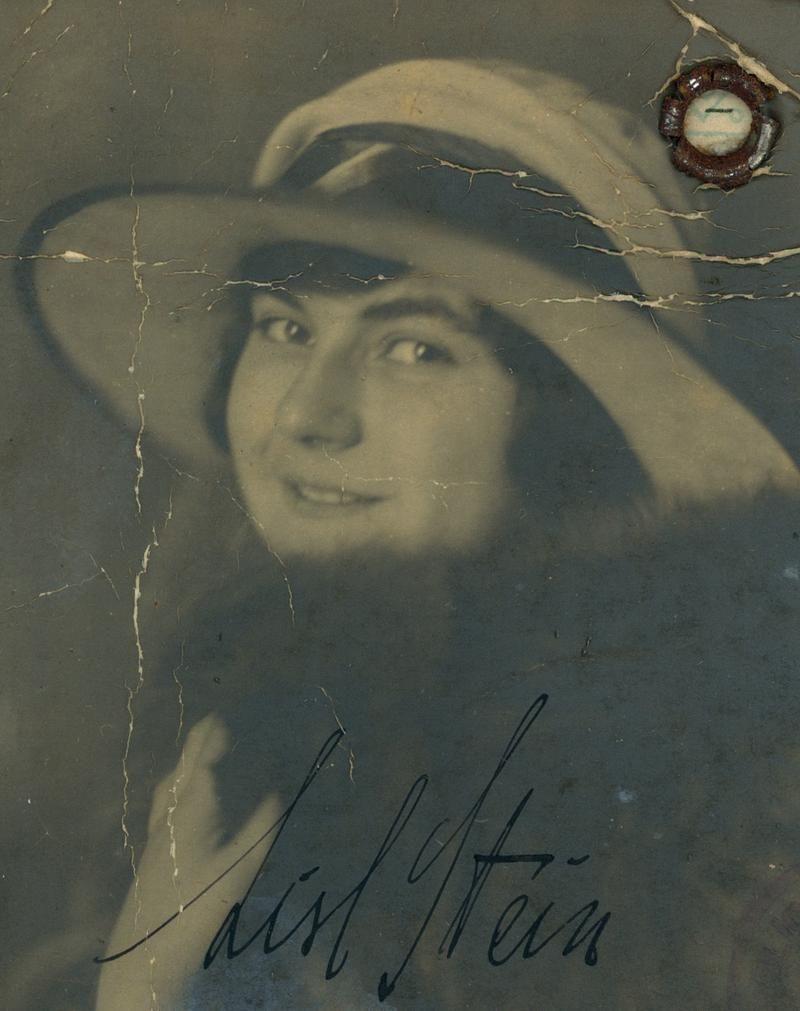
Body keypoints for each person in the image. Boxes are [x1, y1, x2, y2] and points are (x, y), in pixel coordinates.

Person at [22, 60, 800, 1009]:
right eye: (284, 328)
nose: (311, 418)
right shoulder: (240, 728)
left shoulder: (704, 820)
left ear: (563, 430)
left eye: (414, 348)